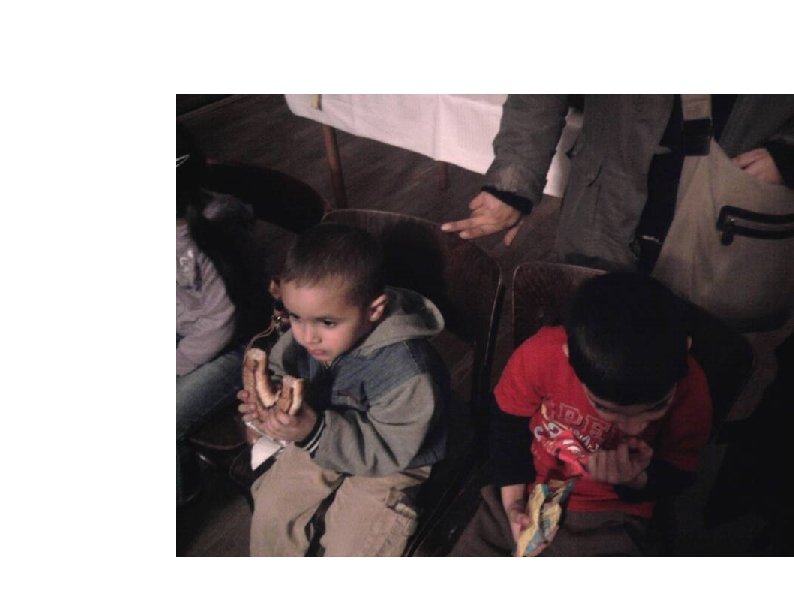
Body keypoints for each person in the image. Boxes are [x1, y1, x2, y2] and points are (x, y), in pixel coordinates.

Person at [451, 272, 712, 556]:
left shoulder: (690, 387)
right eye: (605, 408)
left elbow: (681, 472)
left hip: (608, 512)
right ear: (569, 357)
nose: (634, 428)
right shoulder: (543, 355)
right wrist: (513, 502)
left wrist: (634, 479)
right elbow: (507, 423)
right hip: (527, 486)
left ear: (685, 348)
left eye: (655, 408)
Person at [238, 222, 449, 556]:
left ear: (374, 310)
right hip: (320, 433)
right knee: (272, 508)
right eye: (296, 317)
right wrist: (271, 404)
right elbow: (281, 366)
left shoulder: (408, 372)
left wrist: (314, 431)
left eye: (327, 323)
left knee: (351, 545)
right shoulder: (308, 335)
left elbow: (391, 448)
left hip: (395, 456)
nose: (306, 336)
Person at [441, 95, 794, 273]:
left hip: (728, 193)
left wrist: (786, 154)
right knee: (590, 340)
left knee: (700, 356)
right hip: (608, 192)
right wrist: (512, 184)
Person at [176, 124, 272, 506]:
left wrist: (174, 364)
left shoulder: (213, 228)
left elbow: (222, 322)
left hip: (239, 347)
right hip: (191, 332)